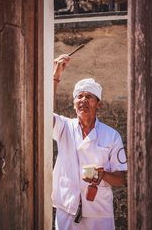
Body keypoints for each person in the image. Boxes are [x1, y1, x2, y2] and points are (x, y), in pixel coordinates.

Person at [52, 54, 127, 230]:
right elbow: (41, 111)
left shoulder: (112, 136)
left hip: (99, 212)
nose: (83, 100)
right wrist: (55, 77)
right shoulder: (64, 127)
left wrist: (103, 175)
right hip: (67, 209)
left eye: (89, 96)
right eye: (79, 96)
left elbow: (120, 179)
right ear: (73, 104)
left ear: (98, 104)